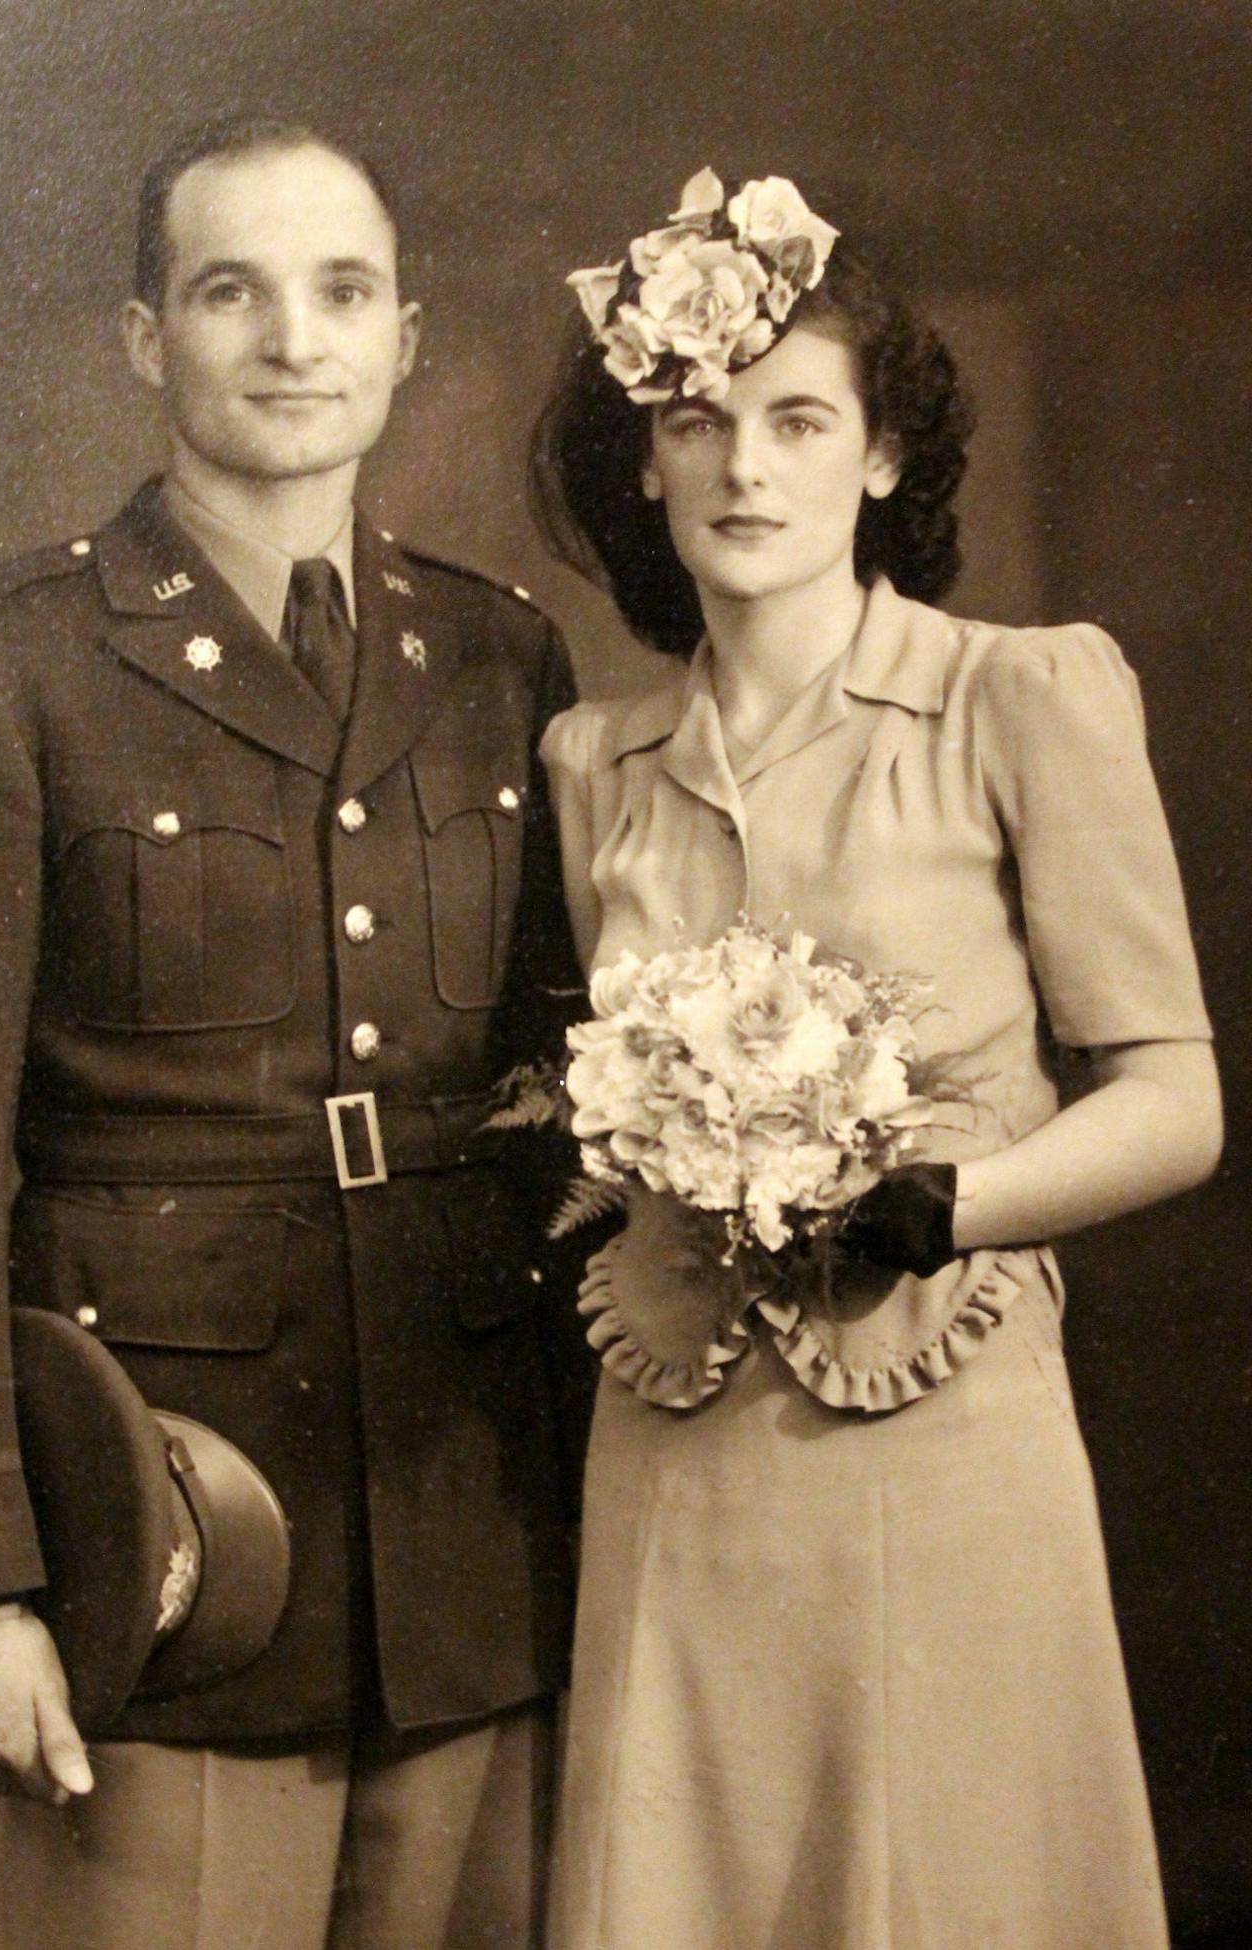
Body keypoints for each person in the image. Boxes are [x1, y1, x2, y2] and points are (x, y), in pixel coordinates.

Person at [0, 115, 589, 1950]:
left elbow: (574, 1103)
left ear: (406, 336)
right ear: (143, 338)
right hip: (157, 1539)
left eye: (343, 291)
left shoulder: (500, 661)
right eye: (230, 289)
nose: (292, 338)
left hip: (467, 1544)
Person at [530, 168, 1221, 1950]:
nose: (746, 468)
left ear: (885, 457)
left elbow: (1175, 1100)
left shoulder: (1021, 695)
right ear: (648, 463)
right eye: (698, 422)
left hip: (947, 1427)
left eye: (798, 419)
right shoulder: (592, 760)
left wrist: (951, 1197)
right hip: (676, 1451)